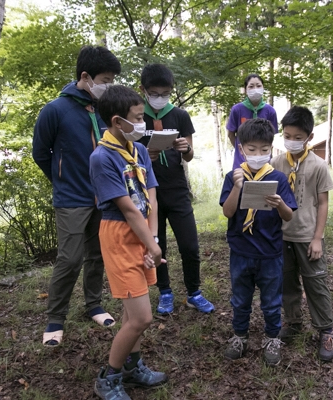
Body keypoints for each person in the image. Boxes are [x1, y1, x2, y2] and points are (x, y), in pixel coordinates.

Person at [32, 45, 121, 347]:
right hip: (71, 197)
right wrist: (61, 179)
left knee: (97, 254)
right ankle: (55, 318)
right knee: (70, 259)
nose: (109, 85)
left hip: (104, 196)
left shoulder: (104, 109)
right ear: (86, 76)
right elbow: (41, 153)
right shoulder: (55, 110)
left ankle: (93, 304)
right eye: (106, 79)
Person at [90, 85, 168, 400]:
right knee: (142, 317)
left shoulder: (136, 150)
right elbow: (126, 208)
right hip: (120, 235)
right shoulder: (102, 156)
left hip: (143, 234)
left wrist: (154, 238)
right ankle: (108, 378)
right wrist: (151, 245)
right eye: (138, 118)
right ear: (117, 121)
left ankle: (133, 368)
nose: (143, 124)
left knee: (131, 311)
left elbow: (151, 194)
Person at [137, 63, 214, 315]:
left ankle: (194, 292)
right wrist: (144, 154)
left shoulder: (180, 115)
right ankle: (165, 292)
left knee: (189, 246)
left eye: (165, 93)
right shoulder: (136, 117)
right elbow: (127, 155)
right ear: (144, 90)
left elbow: (189, 156)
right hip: (148, 191)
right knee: (157, 245)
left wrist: (185, 148)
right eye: (155, 93)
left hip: (177, 189)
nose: (160, 98)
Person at [219, 118, 297, 366]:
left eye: (264, 150)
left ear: (271, 149)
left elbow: (288, 215)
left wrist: (280, 203)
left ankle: (272, 338)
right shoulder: (233, 177)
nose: (258, 154)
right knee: (240, 300)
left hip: (270, 253)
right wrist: (237, 187)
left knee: (272, 302)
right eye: (251, 149)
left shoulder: (279, 179)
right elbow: (227, 213)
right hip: (241, 251)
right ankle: (239, 336)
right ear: (241, 149)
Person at [271, 106, 333, 362]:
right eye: (287, 135)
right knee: (286, 282)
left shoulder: (318, 165)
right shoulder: (276, 162)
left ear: (309, 137)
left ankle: (327, 330)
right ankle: (293, 321)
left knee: (315, 283)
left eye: (297, 137)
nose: (291, 140)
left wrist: (317, 237)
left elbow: (322, 203)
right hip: (282, 235)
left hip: (307, 235)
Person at [226, 74, 278, 169]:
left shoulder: (270, 111)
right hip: (241, 162)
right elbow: (231, 134)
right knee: (240, 182)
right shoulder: (237, 109)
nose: (255, 89)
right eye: (251, 86)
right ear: (246, 90)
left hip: (264, 161)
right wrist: (244, 150)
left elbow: (272, 136)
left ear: (263, 88)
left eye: (258, 86)